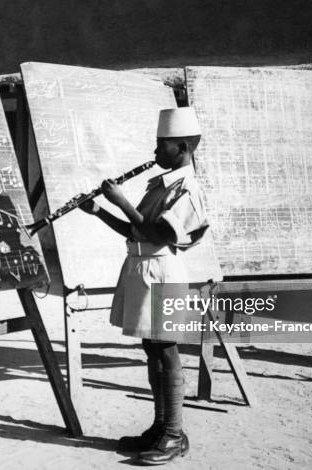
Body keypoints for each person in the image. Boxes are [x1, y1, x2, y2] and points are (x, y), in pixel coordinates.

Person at [80, 107, 210, 465]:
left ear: (181, 146)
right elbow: (135, 231)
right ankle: (160, 427)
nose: (154, 152)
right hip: (143, 269)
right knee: (151, 350)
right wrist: (99, 212)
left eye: (160, 145)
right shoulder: (161, 184)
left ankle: (174, 435)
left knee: (167, 351)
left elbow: (158, 235)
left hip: (164, 272)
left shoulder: (189, 189)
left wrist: (121, 201)